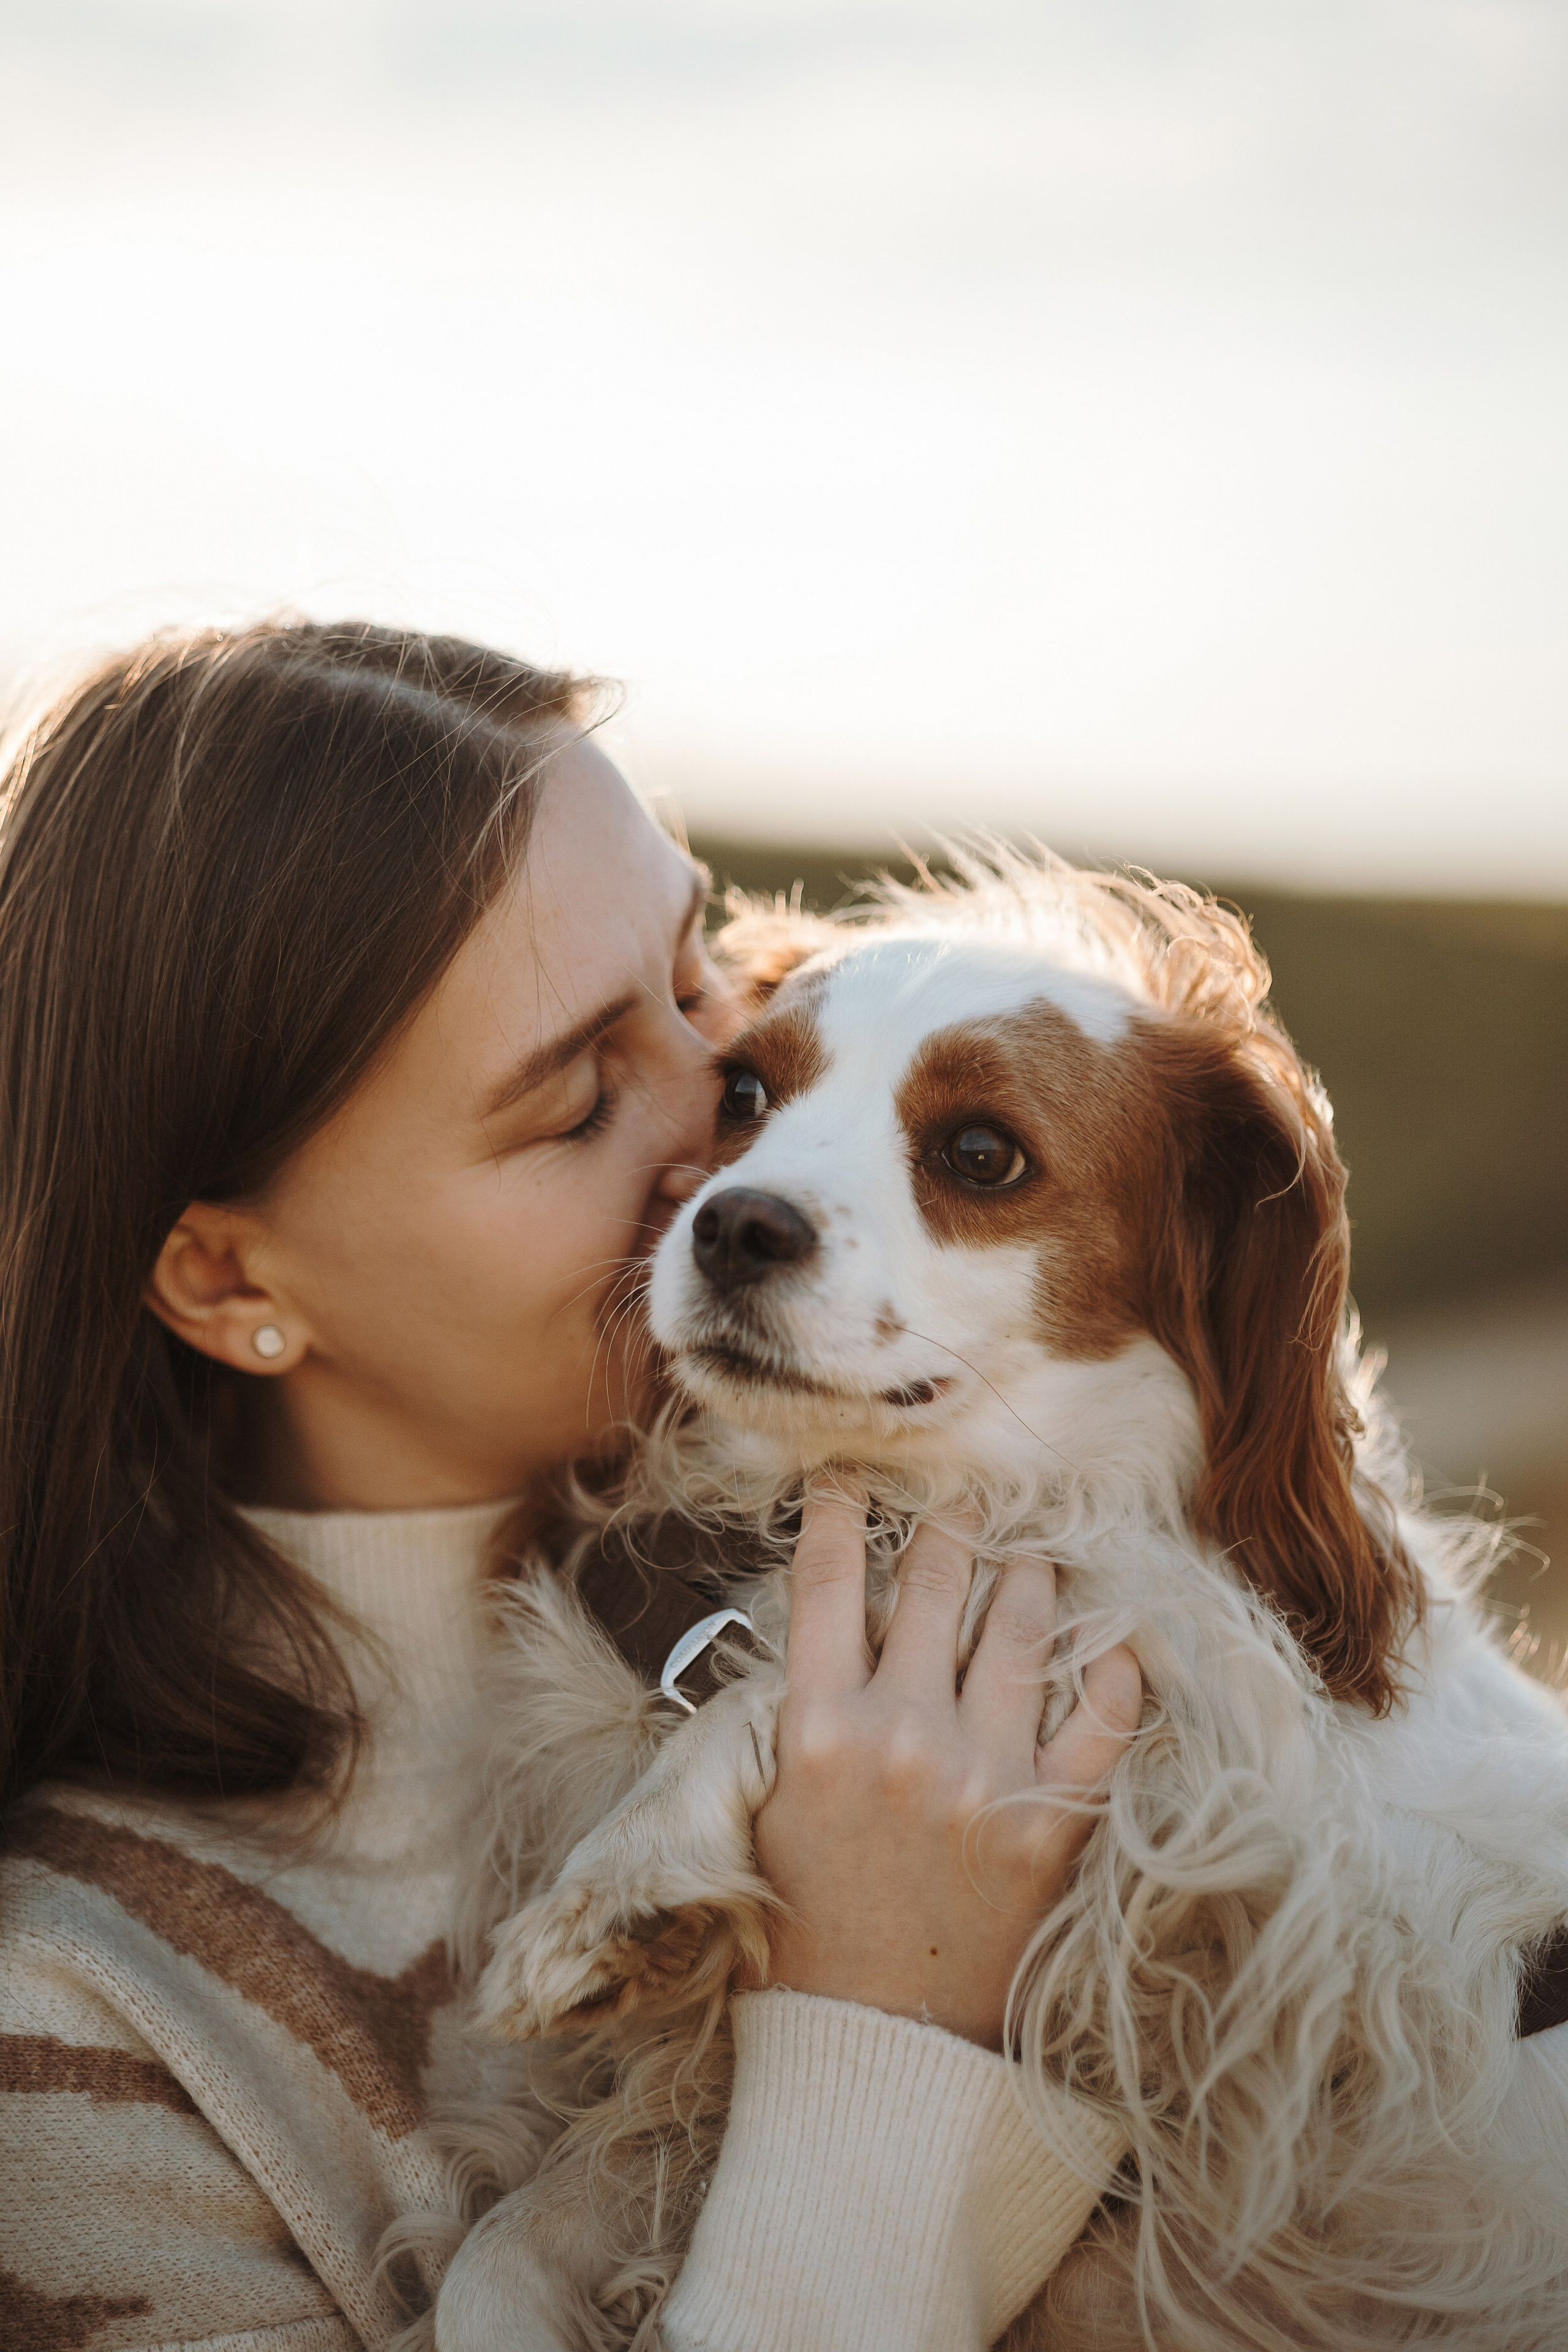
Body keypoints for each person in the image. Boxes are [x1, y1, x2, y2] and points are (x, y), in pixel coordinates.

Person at [0, 622, 1140, 2350]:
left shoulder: (1007, 1538)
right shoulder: (81, 2035)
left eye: (700, 983)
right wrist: (885, 2041)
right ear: (234, 1284)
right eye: (578, 1098)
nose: (742, 1121)